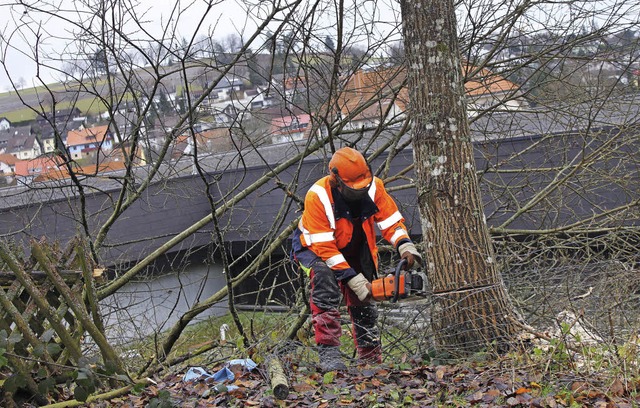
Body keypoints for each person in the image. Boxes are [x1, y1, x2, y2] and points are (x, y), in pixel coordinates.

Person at [291, 147, 422, 371]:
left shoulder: (373, 187)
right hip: (313, 249)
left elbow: (391, 222)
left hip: (354, 246)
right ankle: (329, 354)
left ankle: (370, 358)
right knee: (324, 280)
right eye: (354, 188)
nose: (360, 191)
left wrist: (405, 246)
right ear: (336, 180)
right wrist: (353, 279)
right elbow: (325, 248)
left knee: (366, 298)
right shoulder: (318, 196)